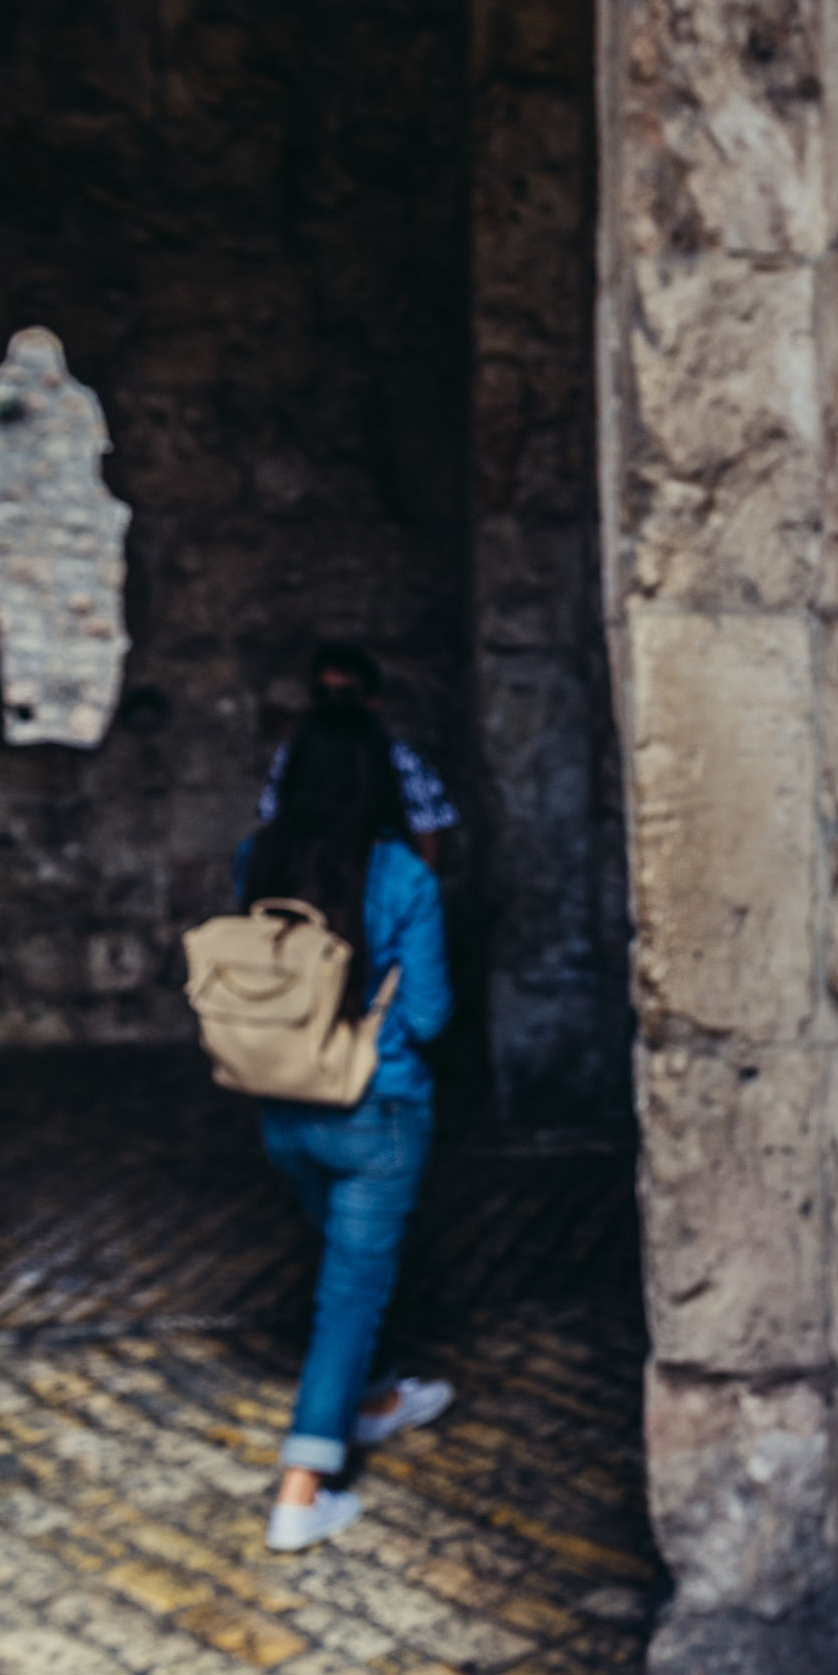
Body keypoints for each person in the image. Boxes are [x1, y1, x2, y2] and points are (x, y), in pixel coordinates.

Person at [240, 702, 456, 1551]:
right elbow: (431, 1014)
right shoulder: (403, 875)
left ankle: (372, 1399)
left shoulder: (257, 860)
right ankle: (302, 1490)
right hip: (377, 1110)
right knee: (348, 1294)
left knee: (345, 1273)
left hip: (283, 1109)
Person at [259, 643, 457, 869]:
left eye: (347, 695)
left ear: (373, 701)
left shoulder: (402, 761)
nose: (334, 705)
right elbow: (272, 826)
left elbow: (427, 844)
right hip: (308, 885)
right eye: (323, 693)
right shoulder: (293, 754)